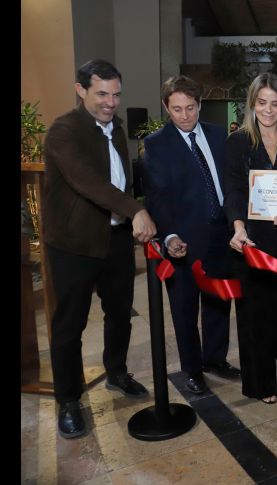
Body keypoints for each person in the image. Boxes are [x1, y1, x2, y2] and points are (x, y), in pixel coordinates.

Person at [43, 59, 156, 438]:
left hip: (115, 240)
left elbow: (120, 178)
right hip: (74, 245)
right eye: (102, 93)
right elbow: (87, 181)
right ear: (81, 90)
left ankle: (118, 371)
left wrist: (133, 212)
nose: (111, 102)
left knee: (120, 313)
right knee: (69, 325)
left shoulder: (117, 128)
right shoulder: (63, 131)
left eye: (116, 94)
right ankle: (69, 400)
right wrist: (135, 210)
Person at [143, 75, 240, 396]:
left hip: (220, 233)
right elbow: (157, 197)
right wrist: (169, 236)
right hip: (182, 240)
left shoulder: (216, 135)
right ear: (165, 108)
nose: (185, 116)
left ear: (199, 104)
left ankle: (215, 359)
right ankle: (193, 369)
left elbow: (228, 181)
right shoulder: (157, 145)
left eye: (190, 108)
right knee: (185, 308)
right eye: (177, 109)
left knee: (218, 302)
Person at [224, 73, 277, 404]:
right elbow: (231, 188)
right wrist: (237, 226)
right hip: (253, 242)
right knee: (256, 317)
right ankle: (261, 383)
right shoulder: (238, 142)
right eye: (262, 103)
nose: (268, 110)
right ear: (251, 104)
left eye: (275, 103)